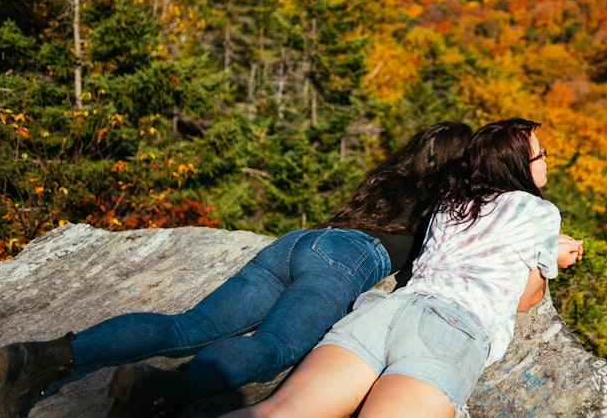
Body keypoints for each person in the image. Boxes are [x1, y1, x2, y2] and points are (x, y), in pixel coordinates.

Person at [0, 121, 473, 418]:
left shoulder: (385, 179)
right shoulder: (444, 203)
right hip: (346, 259)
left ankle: (46, 357)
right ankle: (162, 390)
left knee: (186, 325)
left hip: (296, 244)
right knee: (274, 347)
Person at [223, 117, 583, 418]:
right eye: (541, 154)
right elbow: (524, 298)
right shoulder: (540, 212)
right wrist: (551, 259)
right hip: (452, 329)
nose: (547, 160)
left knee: (275, 412)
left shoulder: (452, 202)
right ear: (517, 165)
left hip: (388, 311)